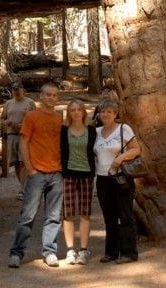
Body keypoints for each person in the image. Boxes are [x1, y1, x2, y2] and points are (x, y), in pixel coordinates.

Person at [8, 82, 63, 268]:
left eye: (54, 95)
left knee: (53, 216)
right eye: (48, 94)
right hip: (37, 172)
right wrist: (30, 168)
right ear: (41, 96)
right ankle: (16, 252)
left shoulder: (58, 118)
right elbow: (24, 142)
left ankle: (50, 252)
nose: (51, 98)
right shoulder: (31, 116)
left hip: (56, 174)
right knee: (27, 215)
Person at [93, 99, 141, 263]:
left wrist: (120, 158)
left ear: (115, 114)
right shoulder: (97, 132)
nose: (105, 114)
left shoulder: (123, 129)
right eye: (103, 111)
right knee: (109, 216)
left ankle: (128, 253)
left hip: (120, 177)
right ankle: (111, 252)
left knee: (125, 214)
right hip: (102, 179)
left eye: (109, 112)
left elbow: (136, 149)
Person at [60, 100, 96, 265]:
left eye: (78, 110)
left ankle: (83, 249)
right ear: (69, 113)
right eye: (72, 110)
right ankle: (70, 250)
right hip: (68, 175)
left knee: (84, 213)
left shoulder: (91, 131)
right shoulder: (63, 131)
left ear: (83, 113)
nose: (76, 112)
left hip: (86, 174)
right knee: (68, 213)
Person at [1, 82, 36, 199]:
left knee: (23, 161)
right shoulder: (8, 103)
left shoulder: (30, 103)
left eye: (18, 89)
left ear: (23, 90)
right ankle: (23, 186)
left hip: (25, 135)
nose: (16, 91)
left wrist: (24, 124)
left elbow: (34, 119)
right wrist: (6, 123)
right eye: (14, 89)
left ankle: (22, 189)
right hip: (12, 134)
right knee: (15, 162)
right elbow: (3, 118)